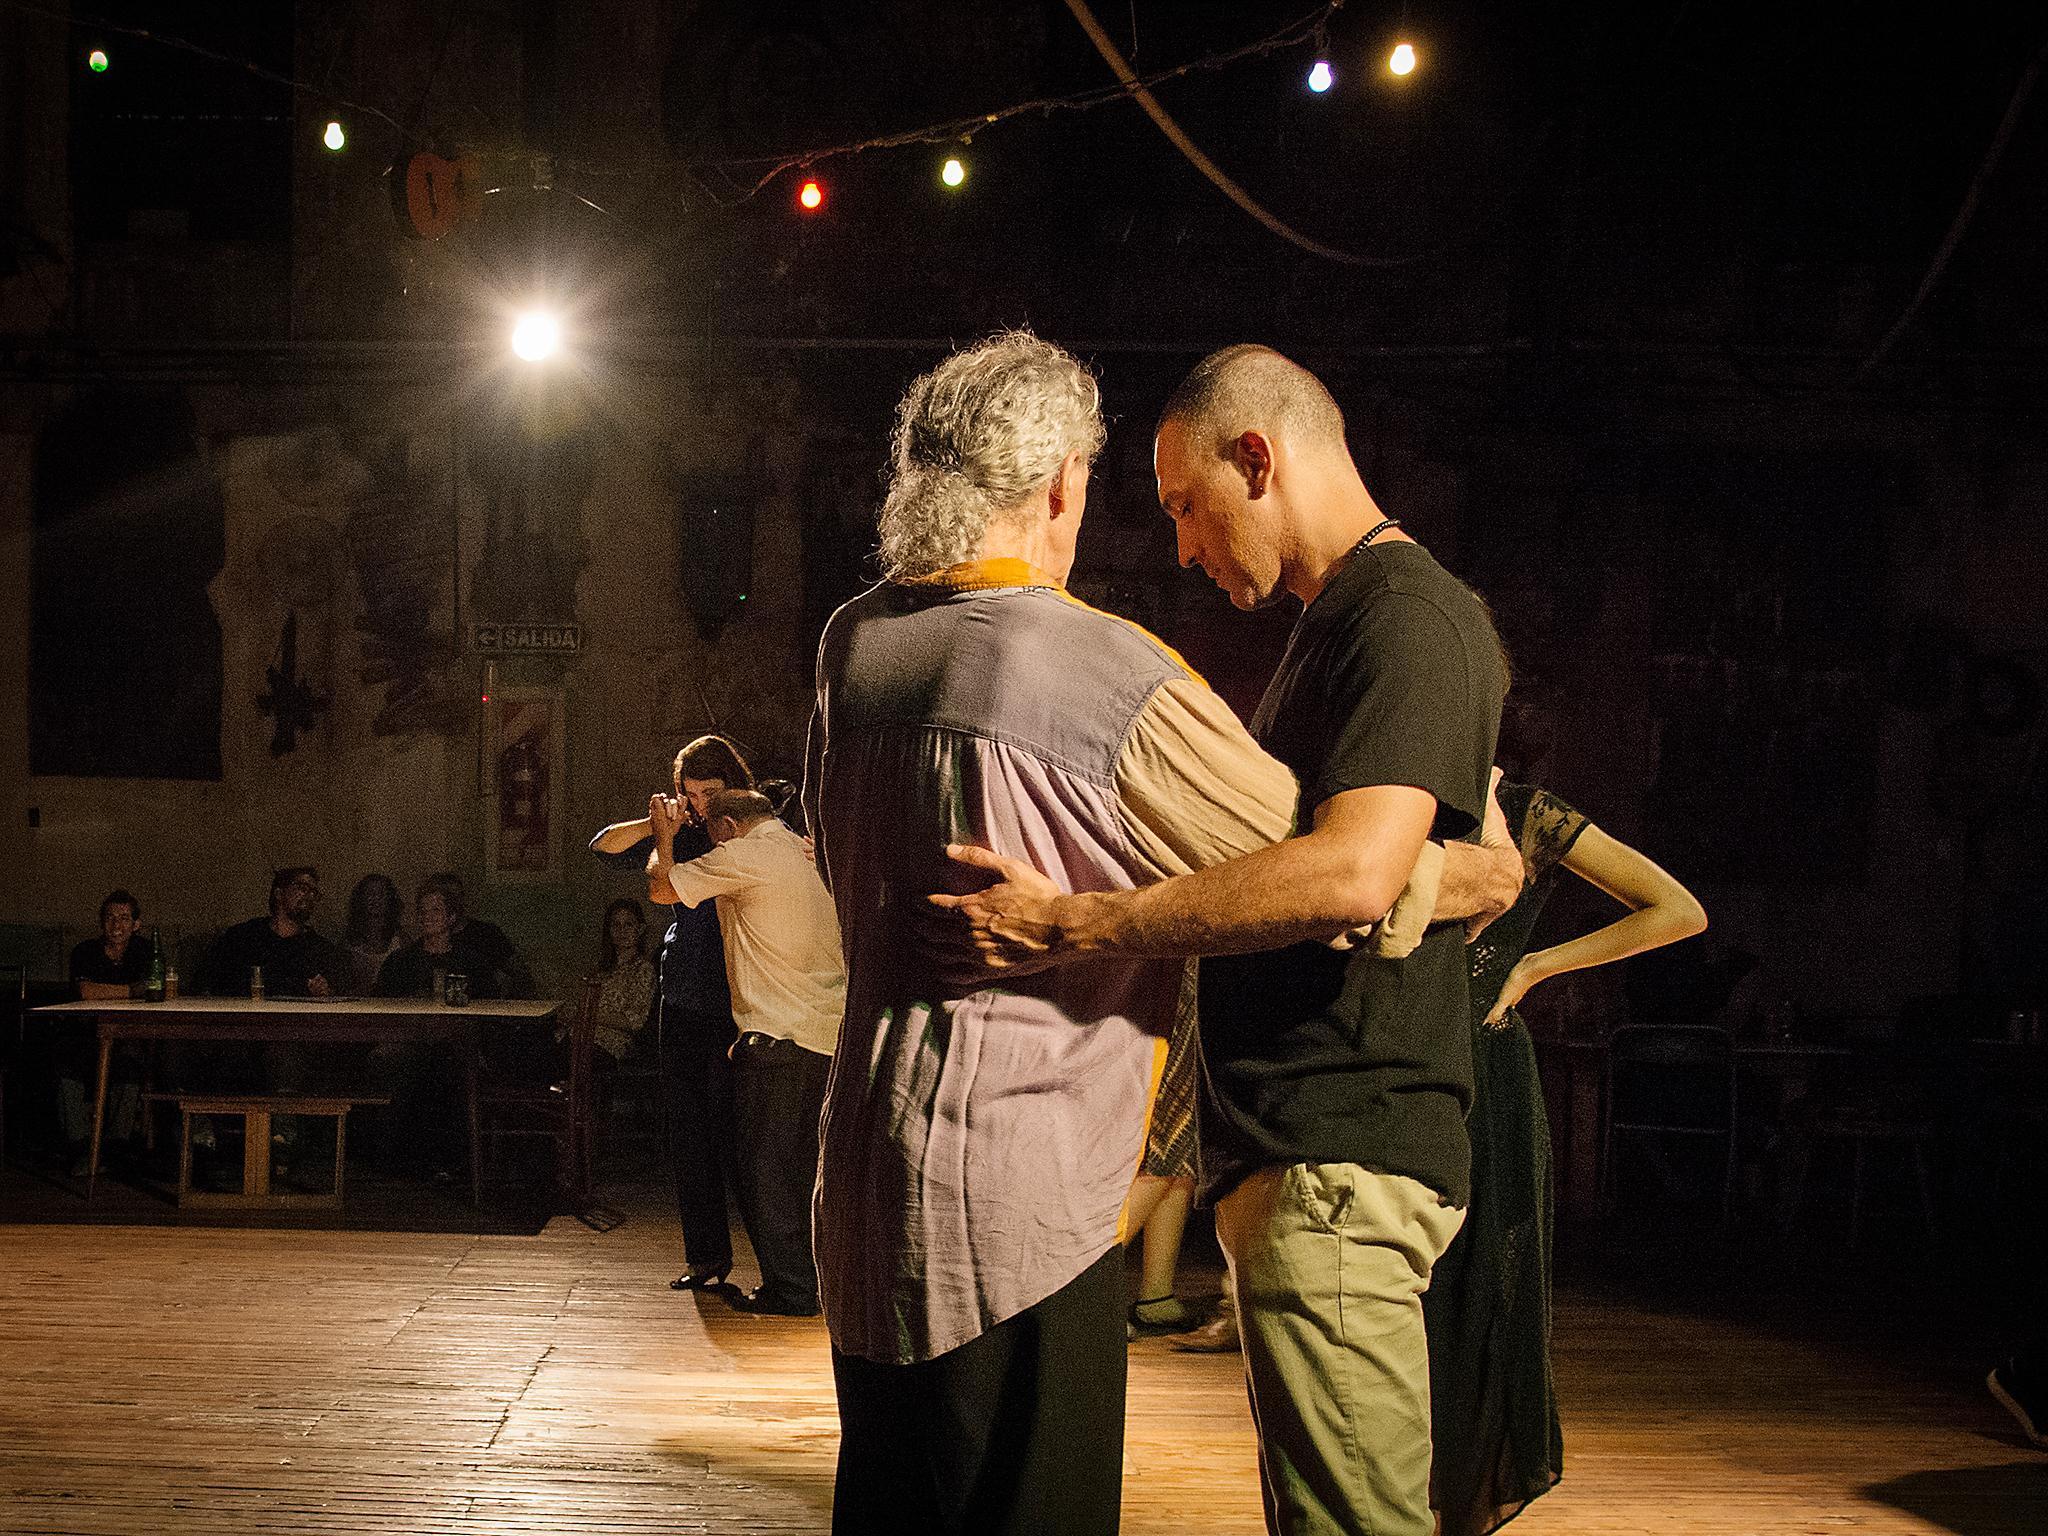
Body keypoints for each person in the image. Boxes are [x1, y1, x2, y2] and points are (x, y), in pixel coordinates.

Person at [805, 333, 1519, 1536]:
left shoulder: (851, 643)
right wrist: (1478, 866)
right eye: (1153, 505)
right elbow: (1330, 867)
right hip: (1018, 1205)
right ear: (1061, 487)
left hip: (865, 1180)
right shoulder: (1090, 668)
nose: (1178, 545)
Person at [1425, 781, 1706, 1536]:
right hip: (1402, 1071)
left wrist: (1535, 966)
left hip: (1487, 1073)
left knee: (1481, 1292)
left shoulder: (1523, 810)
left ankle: (1458, 1511)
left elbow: (1680, 910)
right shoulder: (1390, 793)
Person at [649, 786, 843, 1318]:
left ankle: (794, 1290)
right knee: (808, 1172)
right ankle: (819, 1281)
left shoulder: (744, 854)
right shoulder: (814, 853)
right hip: (830, 1035)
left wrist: (665, 837)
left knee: (768, 1173)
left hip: (777, 1036)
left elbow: (664, 888)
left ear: (729, 826)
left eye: (710, 831)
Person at [589, 734, 752, 1292]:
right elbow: (602, 846)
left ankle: (787, 1268)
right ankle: (705, 1257)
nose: (703, 803)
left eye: (713, 791)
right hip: (682, 991)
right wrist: (659, 821)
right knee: (688, 1130)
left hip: (738, 995)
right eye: (693, 793)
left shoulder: (752, 831)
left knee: (741, 1136)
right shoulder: (677, 834)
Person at [1124, 961, 1201, 1338]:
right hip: (1170, 975)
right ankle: (1070, 1291)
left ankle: (1157, 1294)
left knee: (1183, 1147)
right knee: (1166, 1141)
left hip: (1192, 970)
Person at [56, 890, 150, 1169]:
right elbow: (86, 991)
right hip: (86, 1034)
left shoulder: (145, 951)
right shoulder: (85, 951)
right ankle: (80, 1147)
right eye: (109, 918)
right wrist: (131, 990)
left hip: (128, 1035)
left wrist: (120, 992)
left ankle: (115, 1146)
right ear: (101, 923)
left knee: (131, 1063)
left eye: (123, 918)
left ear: (135, 924)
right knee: (65, 1063)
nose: (116, 925)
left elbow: (153, 989)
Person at [201, 867, 348, 998]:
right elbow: (214, 981)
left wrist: (324, 990)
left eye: (314, 893)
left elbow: (337, 990)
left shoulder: (321, 950)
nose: (309, 896)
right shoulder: (243, 937)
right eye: (302, 888)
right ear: (279, 893)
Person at [592, 897, 656, 1064]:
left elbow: (634, 1021)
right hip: (582, 1035)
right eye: (616, 925)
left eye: (628, 925)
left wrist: (590, 1015)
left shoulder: (643, 970)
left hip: (610, 1044)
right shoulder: (602, 969)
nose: (622, 931)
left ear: (639, 929)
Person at [344, 874, 405, 996]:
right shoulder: (349, 941)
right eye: (370, 893)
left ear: (389, 899)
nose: (375, 899)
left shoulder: (400, 939)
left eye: (381, 894)